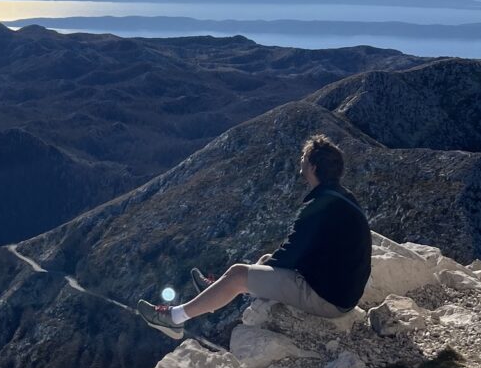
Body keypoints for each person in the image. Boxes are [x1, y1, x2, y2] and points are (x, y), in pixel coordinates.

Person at [137, 134, 371, 339]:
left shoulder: (318, 207)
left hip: (329, 300)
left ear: (313, 166)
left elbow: (290, 255)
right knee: (261, 262)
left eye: (304, 157)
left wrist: (246, 275)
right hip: (339, 290)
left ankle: (174, 319)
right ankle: (219, 290)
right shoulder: (342, 198)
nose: (300, 160)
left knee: (239, 275)